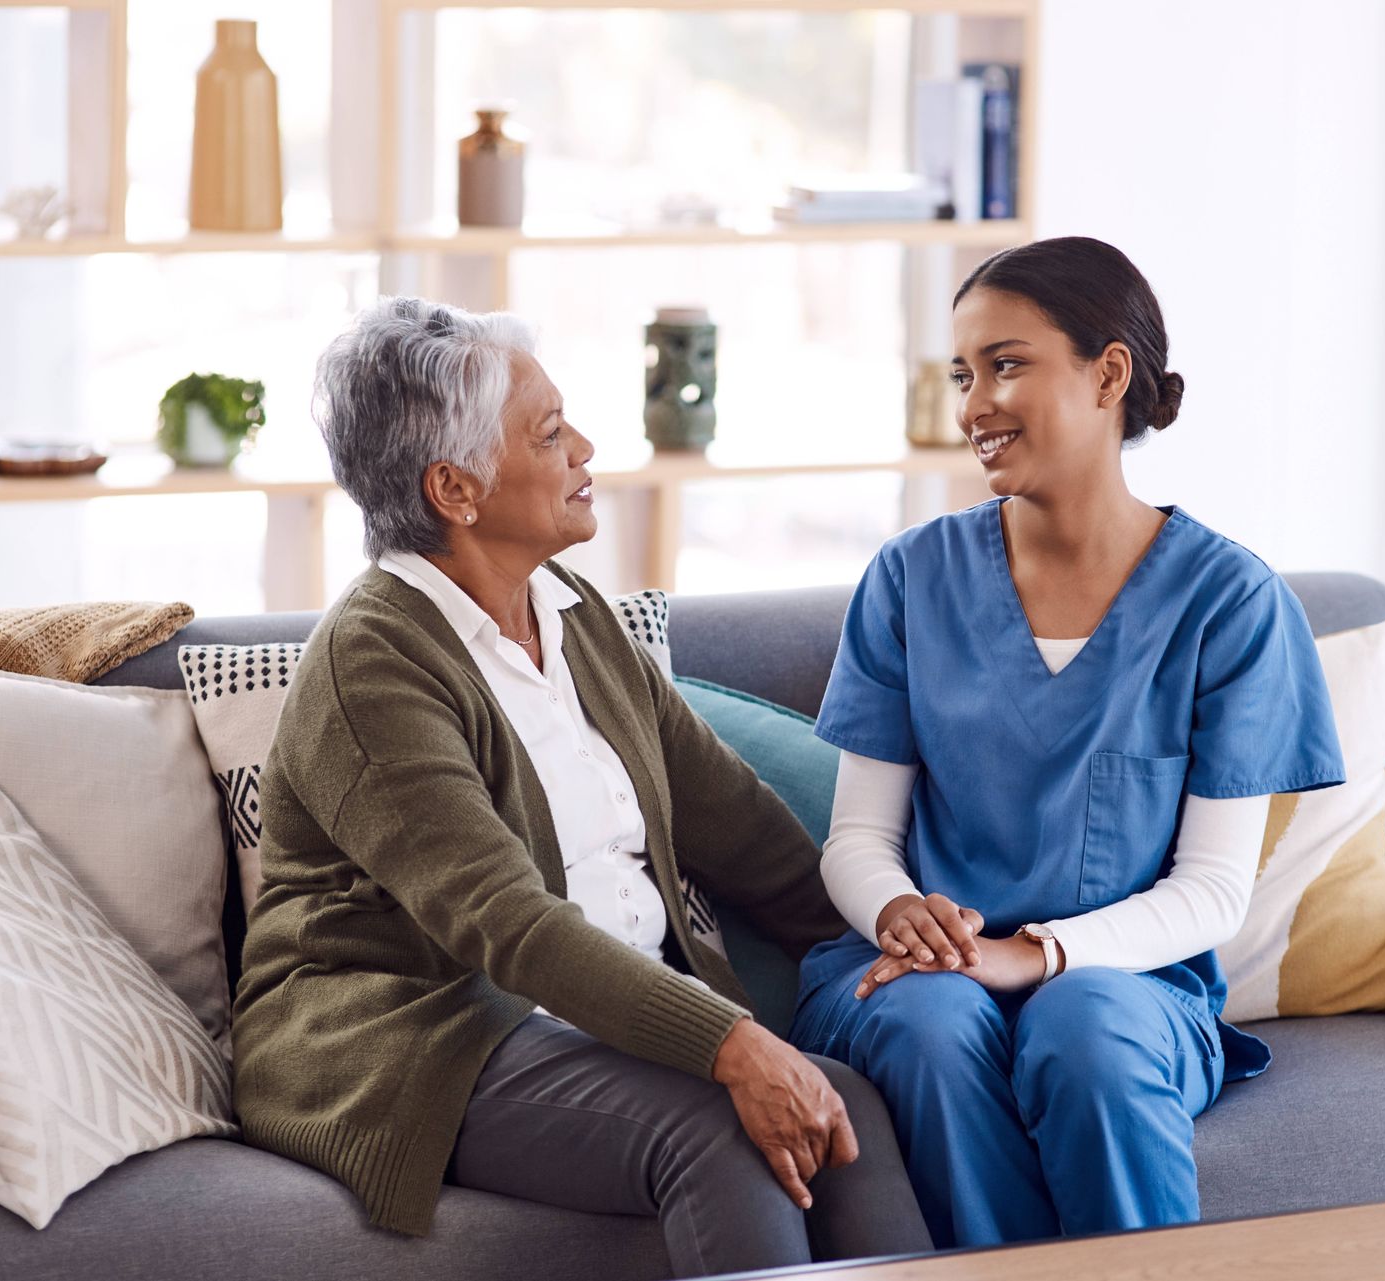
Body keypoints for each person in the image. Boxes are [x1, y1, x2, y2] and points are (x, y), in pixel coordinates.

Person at [230, 297, 930, 1275]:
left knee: (846, 1102)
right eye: (551, 434)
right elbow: (507, 924)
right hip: (422, 1037)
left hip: (576, 1024)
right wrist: (731, 1044)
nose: (586, 448)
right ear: (455, 488)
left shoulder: (574, 616)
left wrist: (896, 927)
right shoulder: (373, 664)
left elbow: (735, 824)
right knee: (721, 1129)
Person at [789, 237, 1346, 1249]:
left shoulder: (1231, 604)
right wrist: (902, 912)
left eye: (1006, 365)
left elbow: (1215, 890)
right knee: (929, 1022)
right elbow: (857, 838)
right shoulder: (911, 579)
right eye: (964, 375)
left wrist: (1036, 954)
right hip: (928, 975)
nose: (973, 406)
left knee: (1085, 1028)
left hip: (1127, 985)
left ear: (1108, 373)